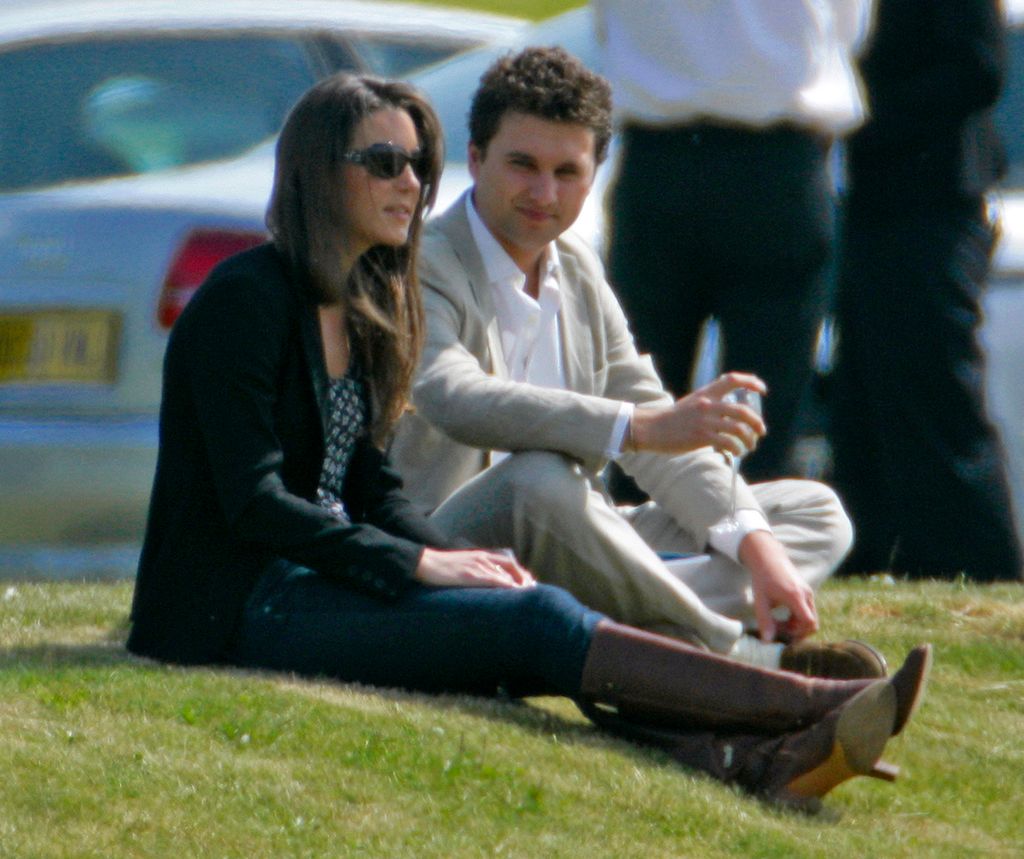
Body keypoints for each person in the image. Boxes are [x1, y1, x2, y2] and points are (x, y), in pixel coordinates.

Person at [125, 70, 930, 813]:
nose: (408, 182)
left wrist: (750, 544)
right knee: (538, 601)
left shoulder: (365, 299)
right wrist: (421, 562)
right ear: (317, 169)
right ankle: (790, 692)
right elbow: (256, 499)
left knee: (770, 525)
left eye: (415, 163)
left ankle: (747, 752)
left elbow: (367, 485)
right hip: (255, 601)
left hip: (365, 567)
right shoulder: (263, 298)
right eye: (382, 161)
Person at [389, 47, 882, 679]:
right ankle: (734, 657)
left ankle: (609, 627)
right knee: (537, 478)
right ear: (477, 158)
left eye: (567, 171)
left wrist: (759, 551)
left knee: (811, 513)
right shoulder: (423, 261)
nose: (544, 193)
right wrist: (641, 426)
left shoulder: (578, 266)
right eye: (523, 165)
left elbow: (654, 436)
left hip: (573, 543)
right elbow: (455, 397)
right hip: (450, 550)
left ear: (595, 174)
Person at [593, 0, 874, 481]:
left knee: (641, 398)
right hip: (776, 164)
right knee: (761, 413)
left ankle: (633, 540)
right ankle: (746, 538)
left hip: (660, 160)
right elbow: (850, 30)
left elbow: (605, 26)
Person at [830, 0, 1024, 582]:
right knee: (863, 396)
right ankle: (871, 554)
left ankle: (980, 563)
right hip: (871, 202)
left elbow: (977, 69)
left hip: (934, 195)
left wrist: (857, 115)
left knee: (933, 388)